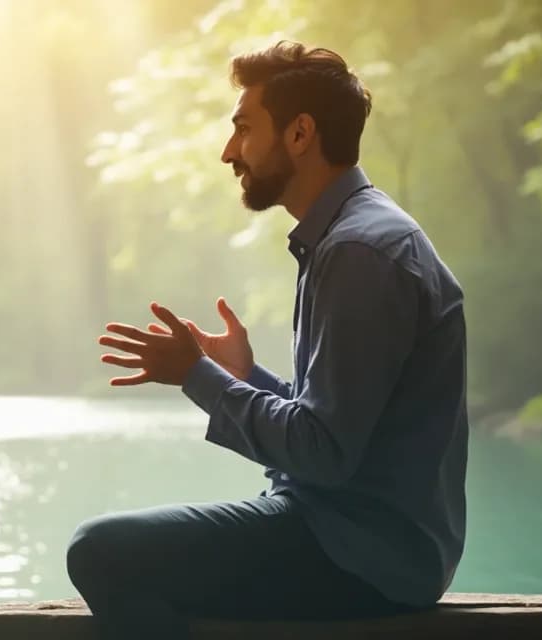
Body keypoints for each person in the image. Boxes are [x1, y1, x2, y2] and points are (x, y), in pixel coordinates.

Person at [73, 40, 469, 638]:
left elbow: (323, 454)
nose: (229, 151)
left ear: (300, 133)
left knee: (100, 551)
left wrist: (198, 376)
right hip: (353, 535)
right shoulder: (350, 236)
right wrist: (245, 377)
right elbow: (339, 425)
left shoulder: (359, 251)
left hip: (364, 553)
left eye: (244, 128)